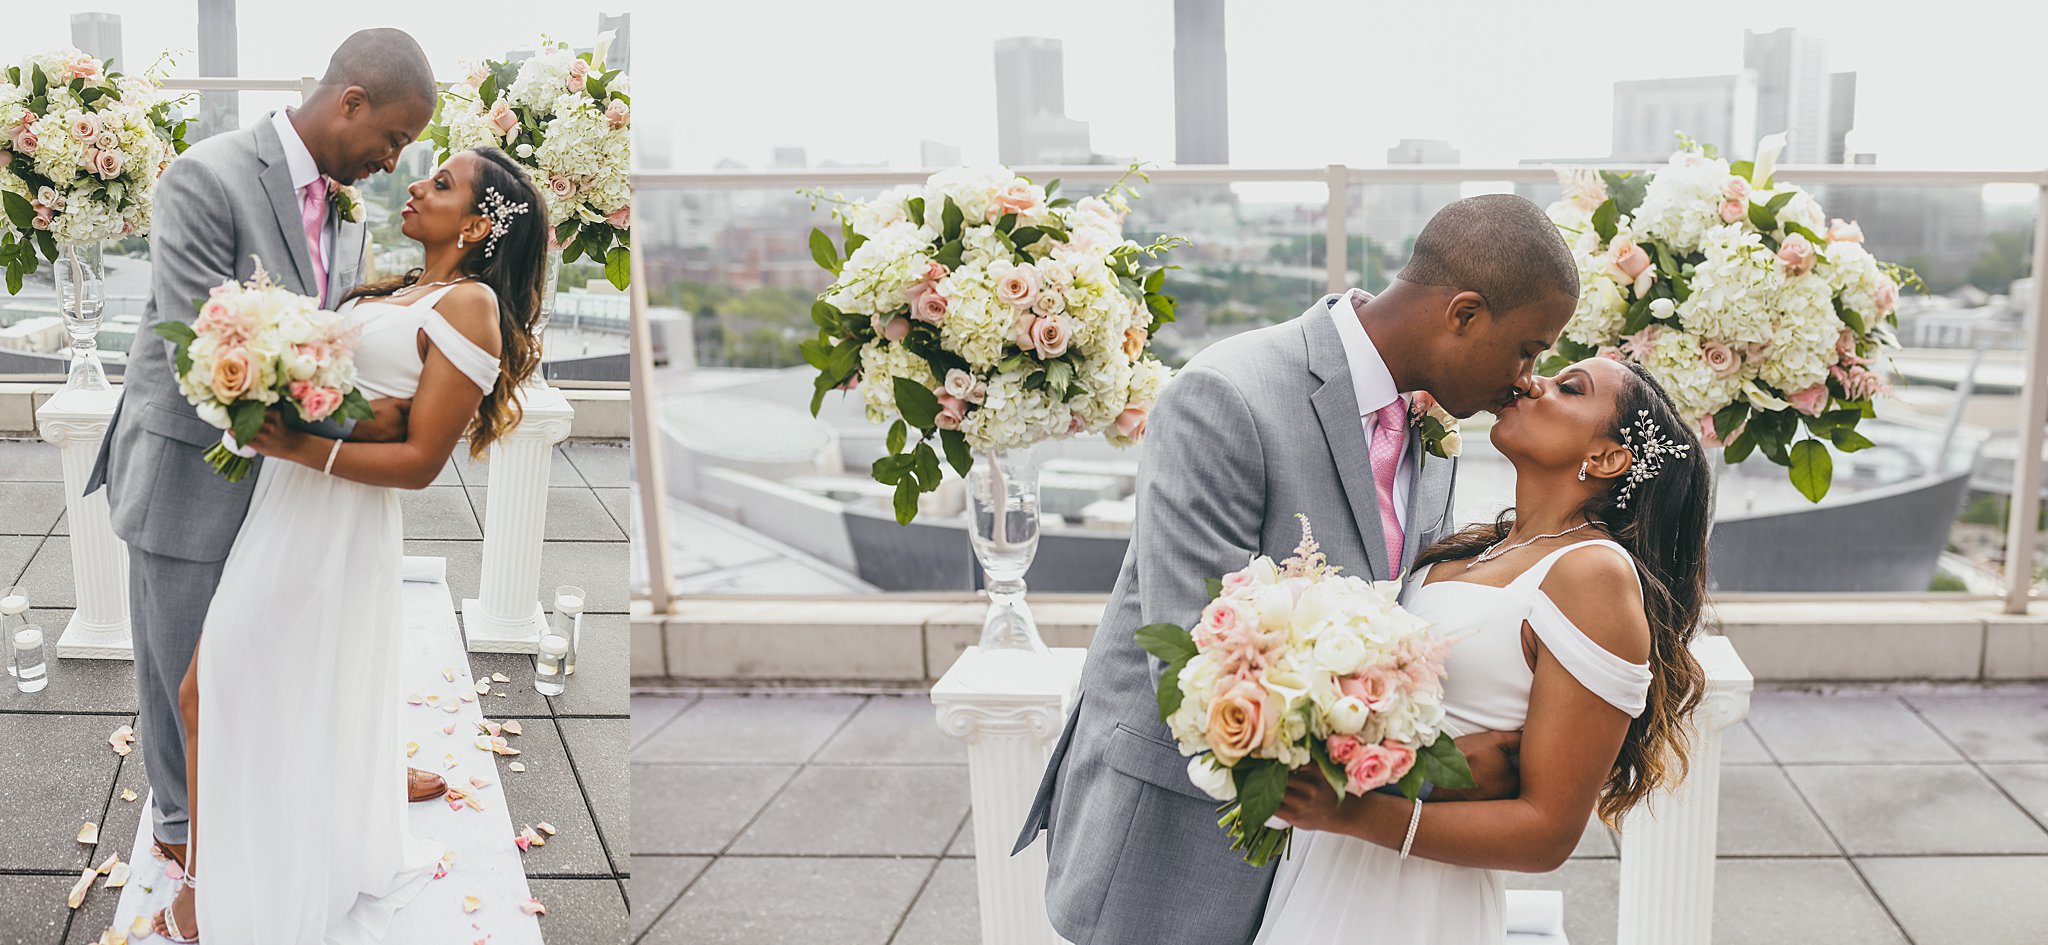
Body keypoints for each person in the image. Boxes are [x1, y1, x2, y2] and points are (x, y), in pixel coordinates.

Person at [1015, 194, 1588, 944]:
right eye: (1528, 348)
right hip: (1175, 845)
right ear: (1464, 314)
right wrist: (1449, 764)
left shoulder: (1434, 432)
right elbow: (1196, 649)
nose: (1526, 378)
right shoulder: (1227, 394)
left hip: (1325, 874)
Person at [84, 28, 449, 916]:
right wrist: (383, 427)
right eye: (393, 139)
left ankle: (318, 786)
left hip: (288, 484)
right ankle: (183, 825)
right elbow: (198, 341)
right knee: (179, 672)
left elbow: (331, 342)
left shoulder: (349, 210)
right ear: (350, 100)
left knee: (272, 648)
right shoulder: (207, 176)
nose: (393, 161)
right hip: (188, 468)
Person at [146, 143, 548, 942]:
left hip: (334, 521)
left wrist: (295, 442)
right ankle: (242, 863)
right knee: (232, 688)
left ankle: (214, 887)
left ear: (475, 225)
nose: (415, 186)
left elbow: (419, 460)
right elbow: (366, 404)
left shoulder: (468, 307)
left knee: (209, 687)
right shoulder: (404, 286)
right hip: (287, 505)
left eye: (440, 184)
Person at [1253, 354, 1711, 942]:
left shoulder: (1592, 574)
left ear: (1606, 458)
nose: (1530, 380)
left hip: (1416, 899)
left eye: (1569, 388)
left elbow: (1547, 833)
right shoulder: (1467, 552)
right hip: (1326, 863)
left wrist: (1350, 810)